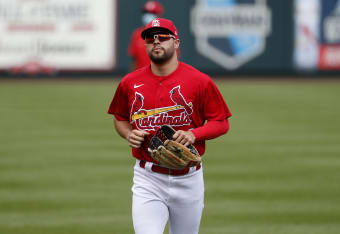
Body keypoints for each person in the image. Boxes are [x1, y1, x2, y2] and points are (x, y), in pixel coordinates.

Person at [108, 18, 232, 234]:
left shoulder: (199, 81)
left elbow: (221, 122)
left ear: (176, 43)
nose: (156, 42)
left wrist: (194, 134)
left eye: (163, 37)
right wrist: (129, 134)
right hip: (148, 179)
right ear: (145, 45)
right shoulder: (129, 82)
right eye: (150, 38)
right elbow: (119, 117)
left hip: (189, 179)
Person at [128, 1, 164, 71]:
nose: (148, 16)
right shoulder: (137, 34)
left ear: (159, 15)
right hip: (141, 78)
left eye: (152, 13)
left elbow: (173, 60)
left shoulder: (166, 35)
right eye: (146, 12)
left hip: (160, 77)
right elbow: (134, 60)